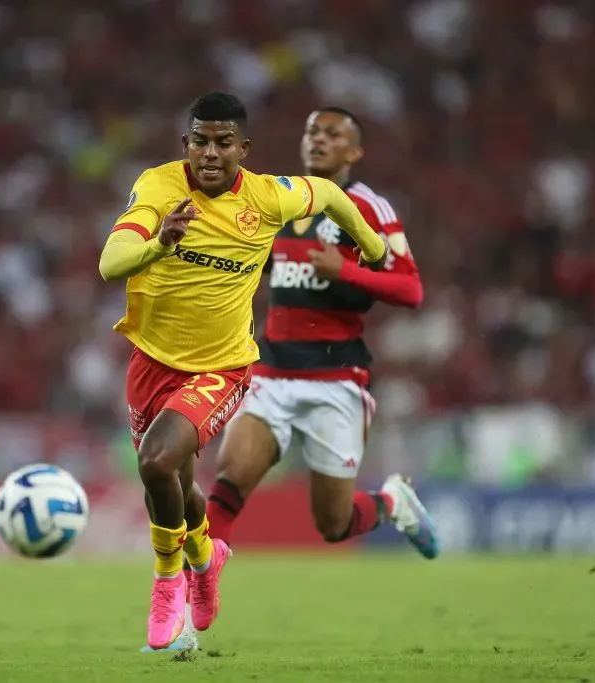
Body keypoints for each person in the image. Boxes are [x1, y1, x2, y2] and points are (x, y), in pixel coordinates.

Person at [99, 93, 390, 650]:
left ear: (243, 149)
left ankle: (168, 584)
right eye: (200, 141)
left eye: (223, 142)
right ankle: (206, 559)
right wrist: (159, 244)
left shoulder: (268, 197)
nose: (211, 152)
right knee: (175, 483)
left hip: (223, 367)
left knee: (157, 460)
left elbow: (329, 193)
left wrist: (372, 248)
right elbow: (110, 263)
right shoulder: (160, 188)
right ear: (185, 145)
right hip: (151, 362)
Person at [204, 107, 440, 559]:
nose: (318, 140)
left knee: (333, 523)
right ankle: (187, 617)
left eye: (333, 134)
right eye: (312, 131)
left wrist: (346, 271)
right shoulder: (278, 198)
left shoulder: (370, 206)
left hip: (335, 379)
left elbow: (409, 289)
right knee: (227, 486)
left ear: (354, 151)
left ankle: (393, 502)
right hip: (270, 372)